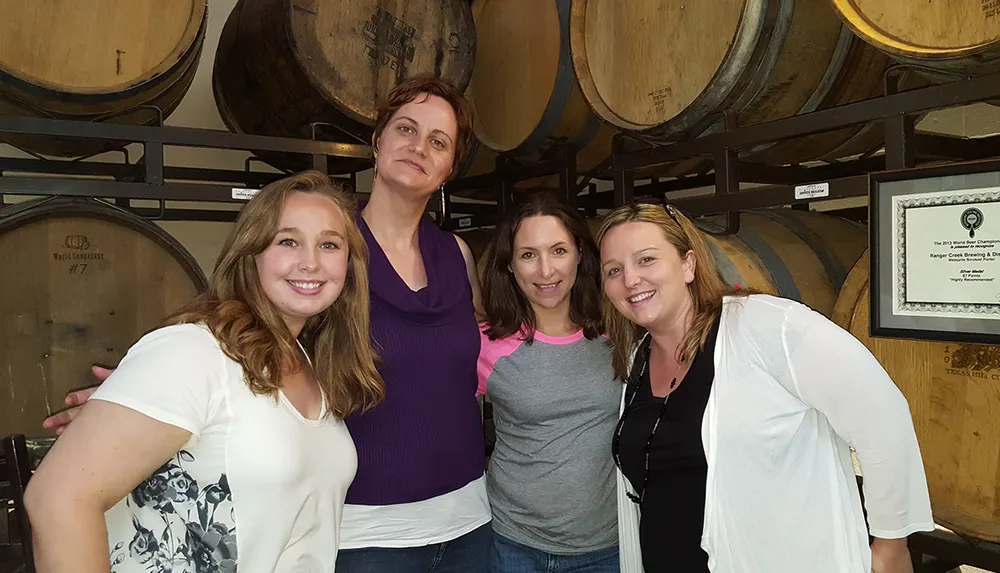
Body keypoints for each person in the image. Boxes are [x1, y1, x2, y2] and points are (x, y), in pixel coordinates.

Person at [41, 75, 492, 573]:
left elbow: (464, 364)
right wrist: (131, 403)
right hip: (366, 526)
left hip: (467, 517)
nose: (418, 147)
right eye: (405, 128)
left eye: (438, 141)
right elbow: (235, 326)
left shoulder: (456, 255)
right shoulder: (327, 235)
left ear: (452, 166)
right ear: (377, 139)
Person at [25, 171, 385, 573]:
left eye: (329, 245)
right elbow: (57, 497)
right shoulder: (194, 350)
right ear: (250, 253)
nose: (311, 262)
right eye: (288, 241)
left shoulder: (306, 360)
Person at [595, 201, 935, 573]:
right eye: (614, 270)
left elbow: (881, 412)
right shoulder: (637, 358)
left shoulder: (766, 327)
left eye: (646, 260)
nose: (630, 279)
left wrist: (890, 542)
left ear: (688, 264)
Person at [476, 190, 619, 573]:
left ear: (579, 255)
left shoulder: (619, 334)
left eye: (558, 251)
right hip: (513, 544)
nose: (545, 271)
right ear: (509, 266)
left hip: (606, 546)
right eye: (528, 255)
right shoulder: (487, 344)